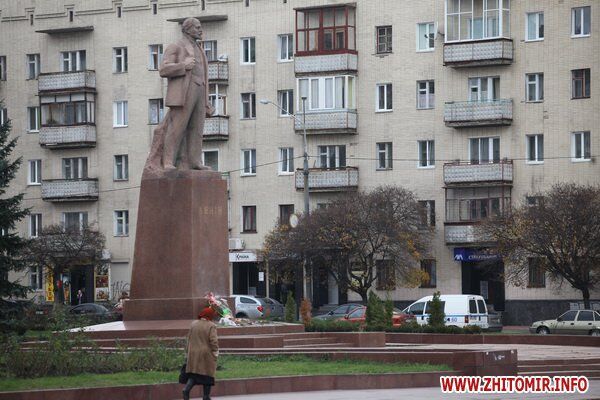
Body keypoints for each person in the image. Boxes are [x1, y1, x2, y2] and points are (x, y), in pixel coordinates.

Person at [146, 17, 214, 171]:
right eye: (197, 27)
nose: (200, 30)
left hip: (200, 90)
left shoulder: (200, 50)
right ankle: (168, 161)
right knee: (177, 127)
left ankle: (195, 161)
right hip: (185, 91)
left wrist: (206, 99)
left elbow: (204, 75)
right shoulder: (176, 46)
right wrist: (183, 66)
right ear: (187, 29)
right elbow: (163, 69)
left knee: (197, 129)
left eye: (200, 27)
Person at [183, 307, 219, 400]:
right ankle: (206, 396)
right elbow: (213, 341)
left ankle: (186, 390)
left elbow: (188, 339)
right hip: (205, 354)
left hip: (193, 353)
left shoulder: (193, 324)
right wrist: (215, 351)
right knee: (207, 375)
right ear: (210, 315)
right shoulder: (211, 325)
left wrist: (187, 352)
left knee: (194, 374)